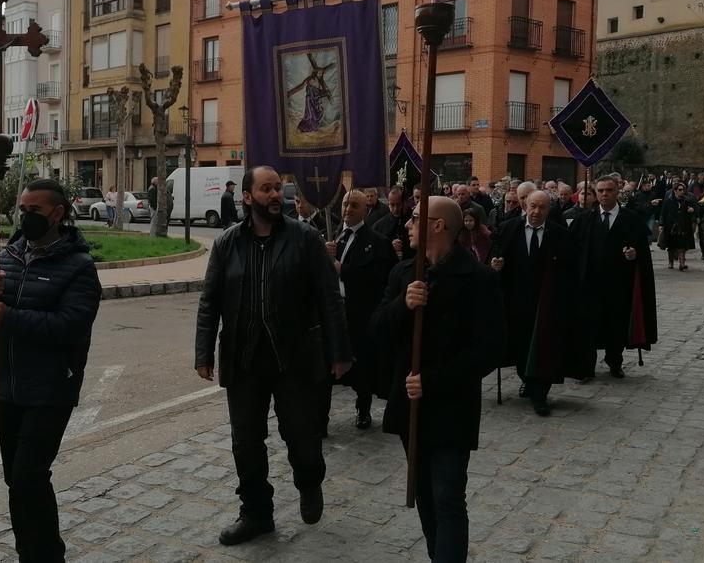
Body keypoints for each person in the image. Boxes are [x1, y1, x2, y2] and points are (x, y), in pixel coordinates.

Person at [195, 166, 351, 545]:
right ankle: (256, 513)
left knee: (302, 436)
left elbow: (330, 298)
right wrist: (203, 352)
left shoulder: (305, 238)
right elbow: (210, 299)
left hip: (294, 358)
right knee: (245, 442)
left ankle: (309, 482)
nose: (275, 195)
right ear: (247, 197)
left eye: (278, 189)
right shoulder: (227, 242)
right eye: (266, 189)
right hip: (243, 358)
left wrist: (340, 351)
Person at [0, 179, 102, 560]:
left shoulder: (79, 267)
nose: (25, 217)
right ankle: (32, 549)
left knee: (29, 475)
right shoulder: (8, 255)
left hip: (50, 389)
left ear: (57, 214)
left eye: (35, 211)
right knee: (17, 480)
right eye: (22, 210)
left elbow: (71, 326)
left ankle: (45, 555)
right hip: (7, 387)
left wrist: (10, 317)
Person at [373, 196, 504, 561]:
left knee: (447, 495)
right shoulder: (402, 274)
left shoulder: (478, 279)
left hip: (451, 406)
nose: (408, 224)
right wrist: (404, 304)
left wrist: (433, 379)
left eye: (415, 217)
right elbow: (377, 330)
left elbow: (490, 349)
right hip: (410, 404)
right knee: (425, 496)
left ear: (438, 225)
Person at [489, 191, 591, 415]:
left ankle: (539, 393)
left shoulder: (560, 235)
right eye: (533, 206)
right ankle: (527, 378)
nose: (536, 212)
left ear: (549, 210)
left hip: (547, 302)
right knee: (520, 346)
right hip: (516, 301)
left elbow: (571, 270)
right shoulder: (508, 229)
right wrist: (495, 266)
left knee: (545, 347)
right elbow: (494, 258)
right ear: (525, 204)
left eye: (542, 208)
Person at [570, 176, 658, 378]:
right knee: (588, 325)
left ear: (617, 191)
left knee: (616, 324)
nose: (604, 194)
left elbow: (643, 251)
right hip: (590, 284)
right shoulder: (584, 219)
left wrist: (635, 254)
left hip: (619, 284)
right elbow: (573, 249)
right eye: (600, 191)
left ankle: (614, 361)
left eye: (608, 190)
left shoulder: (631, 219)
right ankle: (586, 366)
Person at [321, 189, 395, 433]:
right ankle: (321, 417)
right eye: (345, 204)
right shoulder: (332, 238)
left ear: (365, 210)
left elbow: (379, 279)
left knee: (361, 367)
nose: (348, 209)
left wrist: (343, 269)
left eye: (354, 205)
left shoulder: (376, 241)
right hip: (333, 313)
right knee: (326, 368)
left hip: (359, 314)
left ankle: (363, 409)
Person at [658, 182, 696, 271]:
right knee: (671, 245)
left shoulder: (687, 201)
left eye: (683, 190)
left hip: (683, 225)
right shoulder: (668, 201)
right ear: (675, 191)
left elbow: (695, 209)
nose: (682, 191)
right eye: (680, 190)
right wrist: (661, 224)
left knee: (682, 245)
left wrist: (692, 210)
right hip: (671, 225)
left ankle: (682, 264)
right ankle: (670, 262)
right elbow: (663, 213)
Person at [372, 185, 414, 262]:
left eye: (399, 205)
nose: (395, 209)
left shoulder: (415, 222)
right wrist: (389, 247)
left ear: (406, 202)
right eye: (392, 205)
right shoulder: (379, 225)